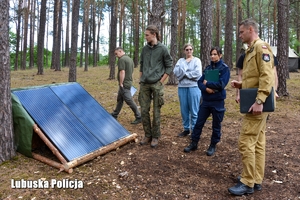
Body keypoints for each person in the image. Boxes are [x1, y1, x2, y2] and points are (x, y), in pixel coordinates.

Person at [228, 19, 275, 196]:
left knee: (246, 140)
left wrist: (260, 100)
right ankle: (256, 180)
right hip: (255, 101)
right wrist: (241, 86)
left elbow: (266, 76)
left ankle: (247, 182)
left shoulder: (261, 47)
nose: (239, 35)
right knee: (258, 143)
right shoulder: (251, 49)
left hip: (257, 104)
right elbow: (255, 76)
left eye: (241, 32)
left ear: (250, 30)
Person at [183, 46, 230, 156]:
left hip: (218, 101)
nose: (212, 56)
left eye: (215, 54)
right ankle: (194, 143)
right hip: (206, 101)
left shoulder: (224, 69)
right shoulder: (208, 68)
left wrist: (207, 83)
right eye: (211, 54)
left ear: (220, 55)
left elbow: (221, 84)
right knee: (199, 123)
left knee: (216, 124)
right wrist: (206, 89)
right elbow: (199, 82)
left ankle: (213, 145)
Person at [138, 25, 173, 148]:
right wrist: (141, 79)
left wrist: (161, 81)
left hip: (157, 84)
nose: (145, 37)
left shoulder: (163, 49)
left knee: (156, 111)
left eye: (147, 35)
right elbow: (141, 65)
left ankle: (155, 136)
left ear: (154, 34)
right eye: (145, 35)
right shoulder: (144, 49)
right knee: (143, 110)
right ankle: (147, 135)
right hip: (145, 84)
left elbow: (169, 66)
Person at [173, 44, 202, 137]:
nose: (189, 51)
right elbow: (176, 72)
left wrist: (184, 74)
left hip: (194, 87)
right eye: (187, 49)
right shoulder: (181, 61)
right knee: (184, 110)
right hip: (182, 88)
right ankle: (186, 129)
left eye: (190, 49)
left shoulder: (197, 60)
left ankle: (194, 130)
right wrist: (186, 65)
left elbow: (198, 74)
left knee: (194, 110)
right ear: (184, 51)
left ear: (193, 50)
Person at [111, 47, 142, 124]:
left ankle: (139, 116)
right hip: (128, 82)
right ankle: (115, 114)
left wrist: (121, 83)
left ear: (120, 51)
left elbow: (122, 72)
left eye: (116, 53)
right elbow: (131, 72)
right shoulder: (129, 59)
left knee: (129, 100)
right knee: (120, 99)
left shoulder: (122, 60)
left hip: (124, 84)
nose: (116, 56)